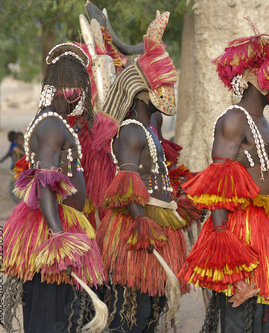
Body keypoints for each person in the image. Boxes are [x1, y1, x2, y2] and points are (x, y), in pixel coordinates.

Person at [179, 26, 269, 332]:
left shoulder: (264, 121)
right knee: (244, 319)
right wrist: (228, 260)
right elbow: (216, 190)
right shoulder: (235, 118)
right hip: (244, 236)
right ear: (260, 78)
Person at [0, 43, 104, 333]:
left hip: (58, 223)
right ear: (59, 87)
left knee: (57, 310)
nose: (78, 92)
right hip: (51, 228)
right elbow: (44, 182)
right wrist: (58, 237)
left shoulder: (54, 122)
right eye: (74, 85)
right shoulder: (53, 125)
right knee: (49, 312)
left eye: (80, 85)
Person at [94, 12, 187, 332]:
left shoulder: (148, 128)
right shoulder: (132, 131)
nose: (167, 91)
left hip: (156, 220)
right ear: (142, 90)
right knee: (135, 308)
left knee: (153, 306)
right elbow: (126, 184)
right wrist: (142, 222)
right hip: (137, 227)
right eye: (162, 85)